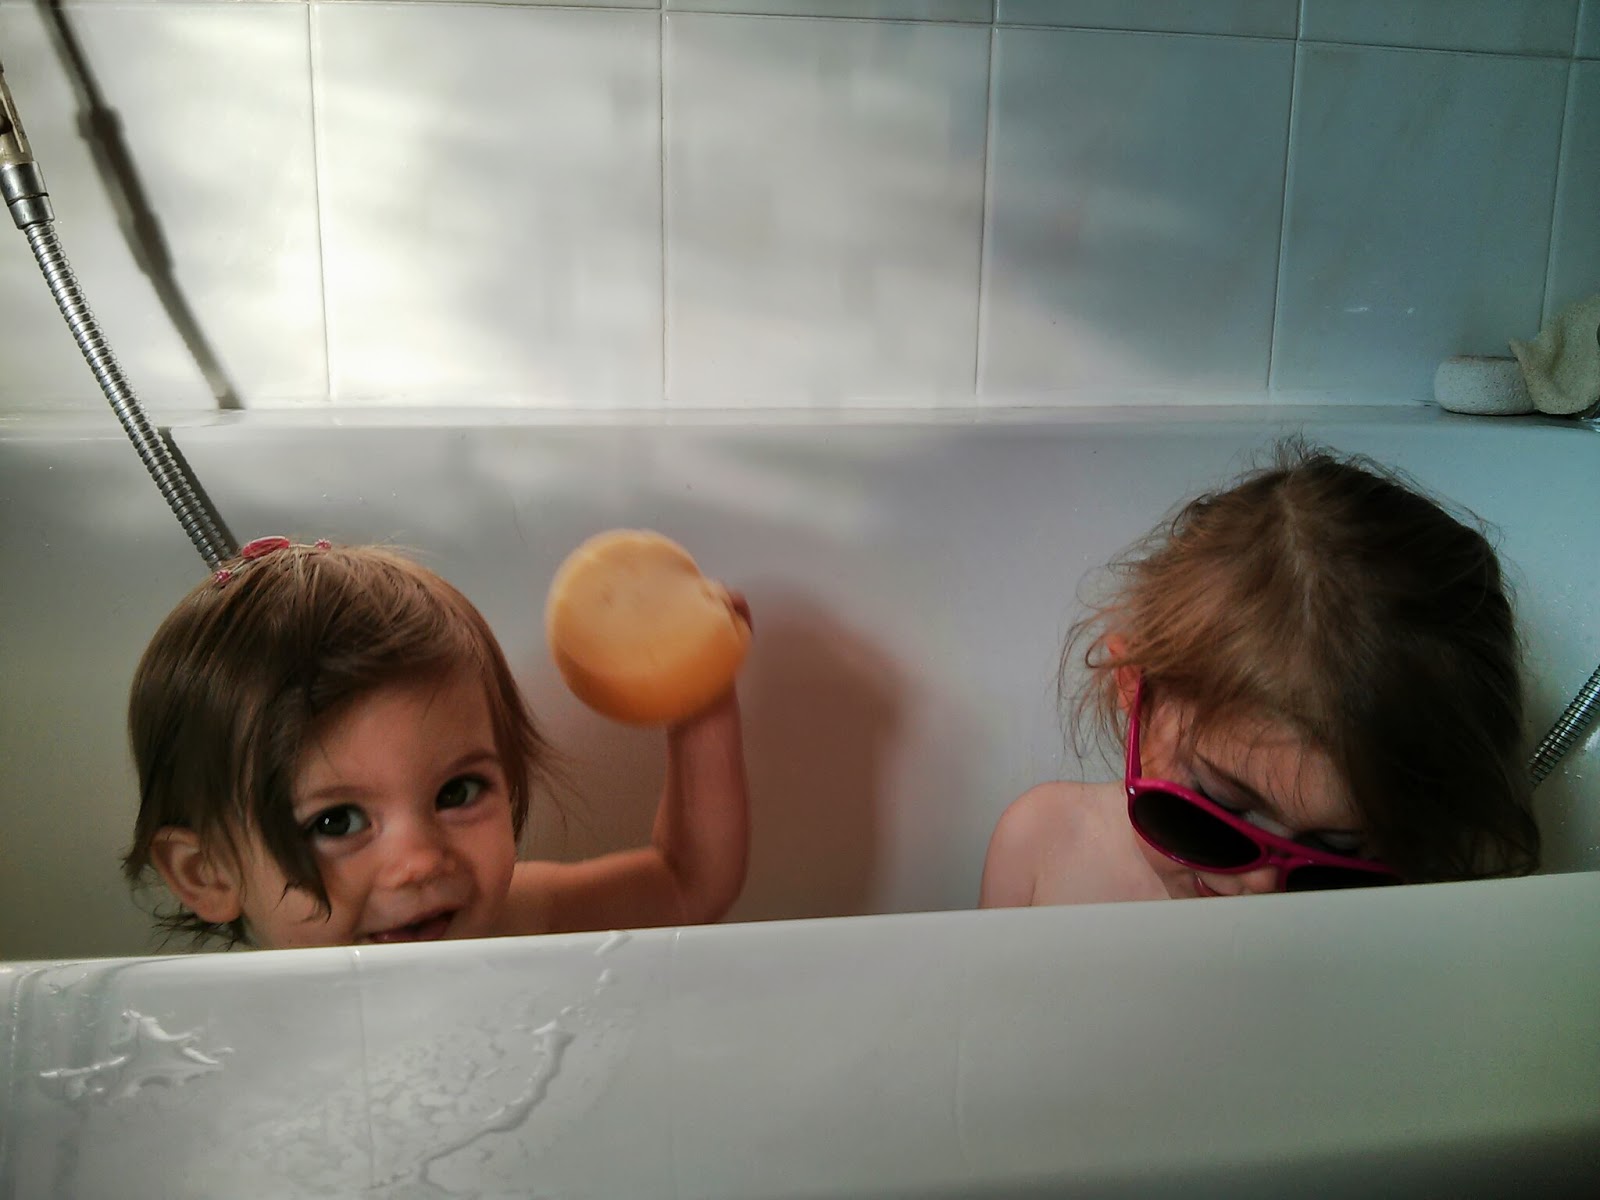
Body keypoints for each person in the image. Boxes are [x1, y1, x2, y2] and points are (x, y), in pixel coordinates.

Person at [980, 440, 1540, 908]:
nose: (1262, 886)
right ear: (1136, 690)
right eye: (1215, 810)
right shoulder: (1044, 846)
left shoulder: (1411, 899)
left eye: (1337, 852)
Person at [123, 538, 750, 950]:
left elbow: (687, 884)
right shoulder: (221, 1028)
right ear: (207, 872)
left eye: (457, 792)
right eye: (337, 822)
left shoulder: (511, 921)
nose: (421, 861)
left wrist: (698, 693)